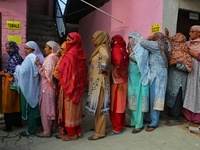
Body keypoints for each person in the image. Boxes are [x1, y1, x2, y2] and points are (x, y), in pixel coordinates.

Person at [56, 32, 87, 141]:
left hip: (69, 87)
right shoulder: (81, 53)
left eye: (70, 40)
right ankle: (77, 131)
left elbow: (61, 70)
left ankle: (71, 134)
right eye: (67, 40)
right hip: (78, 86)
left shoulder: (70, 55)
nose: (67, 42)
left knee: (69, 110)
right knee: (76, 110)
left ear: (75, 41)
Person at [14, 41, 44, 136]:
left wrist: (17, 68)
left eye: (27, 49)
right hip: (35, 86)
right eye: (25, 48)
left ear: (33, 49)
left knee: (30, 108)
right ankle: (38, 126)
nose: (25, 51)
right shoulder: (38, 57)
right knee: (34, 108)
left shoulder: (28, 59)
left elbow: (22, 73)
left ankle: (31, 130)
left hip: (28, 87)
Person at [140, 32, 169, 131]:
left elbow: (141, 42)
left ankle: (154, 122)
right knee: (152, 97)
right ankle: (149, 118)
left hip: (158, 75)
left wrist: (149, 38)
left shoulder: (157, 45)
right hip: (158, 74)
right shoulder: (164, 45)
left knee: (155, 98)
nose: (153, 38)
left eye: (155, 36)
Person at [164, 29, 193, 126]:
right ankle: (170, 115)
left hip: (179, 80)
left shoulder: (185, 53)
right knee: (170, 96)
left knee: (177, 98)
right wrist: (168, 36)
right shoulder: (173, 51)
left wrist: (177, 63)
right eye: (174, 42)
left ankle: (176, 118)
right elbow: (172, 40)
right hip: (171, 78)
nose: (175, 43)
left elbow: (188, 67)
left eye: (177, 42)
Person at [85, 30, 111, 140]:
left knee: (100, 107)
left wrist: (103, 68)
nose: (92, 40)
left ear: (100, 38)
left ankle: (100, 132)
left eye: (94, 37)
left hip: (100, 82)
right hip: (97, 82)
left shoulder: (102, 48)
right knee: (98, 107)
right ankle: (98, 128)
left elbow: (105, 57)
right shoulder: (99, 48)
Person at [35, 41, 60, 137]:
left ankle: (46, 131)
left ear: (51, 49)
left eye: (46, 47)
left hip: (47, 87)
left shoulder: (50, 58)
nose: (44, 49)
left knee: (46, 110)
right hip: (51, 86)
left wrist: (38, 66)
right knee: (51, 107)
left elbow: (47, 74)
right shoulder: (55, 57)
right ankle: (52, 128)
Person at [127, 32, 150, 133]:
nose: (130, 40)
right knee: (132, 101)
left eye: (131, 38)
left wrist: (130, 53)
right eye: (129, 38)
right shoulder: (134, 48)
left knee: (138, 103)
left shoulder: (141, 48)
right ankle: (133, 122)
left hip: (140, 79)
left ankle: (139, 124)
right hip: (132, 79)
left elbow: (139, 61)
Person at [107, 35, 129, 135]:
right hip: (124, 80)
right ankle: (121, 124)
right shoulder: (123, 48)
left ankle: (117, 128)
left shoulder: (116, 49)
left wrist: (118, 69)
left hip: (117, 81)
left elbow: (118, 60)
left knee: (116, 105)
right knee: (121, 104)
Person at [0, 41, 23, 132]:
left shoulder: (14, 59)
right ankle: (17, 123)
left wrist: (4, 74)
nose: (8, 50)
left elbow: (13, 73)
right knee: (15, 103)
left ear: (14, 47)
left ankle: (8, 126)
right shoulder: (17, 57)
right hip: (15, 85)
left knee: (8, 104)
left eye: (10, 48)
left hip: (11, 84)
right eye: (7, 49)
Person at [183, 25, 200, 127]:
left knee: (197, 92)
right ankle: (189, 116)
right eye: (190, 31)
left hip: (198, 71)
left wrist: (190, 52)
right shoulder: (188, 43)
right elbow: (178, 43)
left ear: (198, 33)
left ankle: (197, 116)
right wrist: (168, 37)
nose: (190, 34)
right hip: (191, 71)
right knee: (190, 91)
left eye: (193, 32)